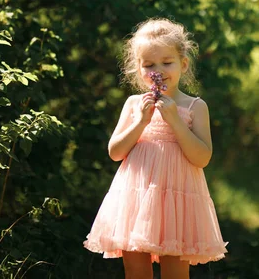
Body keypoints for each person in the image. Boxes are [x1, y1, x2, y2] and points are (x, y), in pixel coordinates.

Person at [84, 18, 228, 279]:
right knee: (136, 272)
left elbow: (202, 158)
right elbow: (116, 152)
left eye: (167, 62)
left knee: (175, 272)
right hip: (135, 201)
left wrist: (174, 119)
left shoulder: (196, 107)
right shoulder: (133, 104)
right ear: (139, 69)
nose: (158, 71)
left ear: (183, 64)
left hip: (178, 201)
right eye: (149, 65)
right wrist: (141, 121)